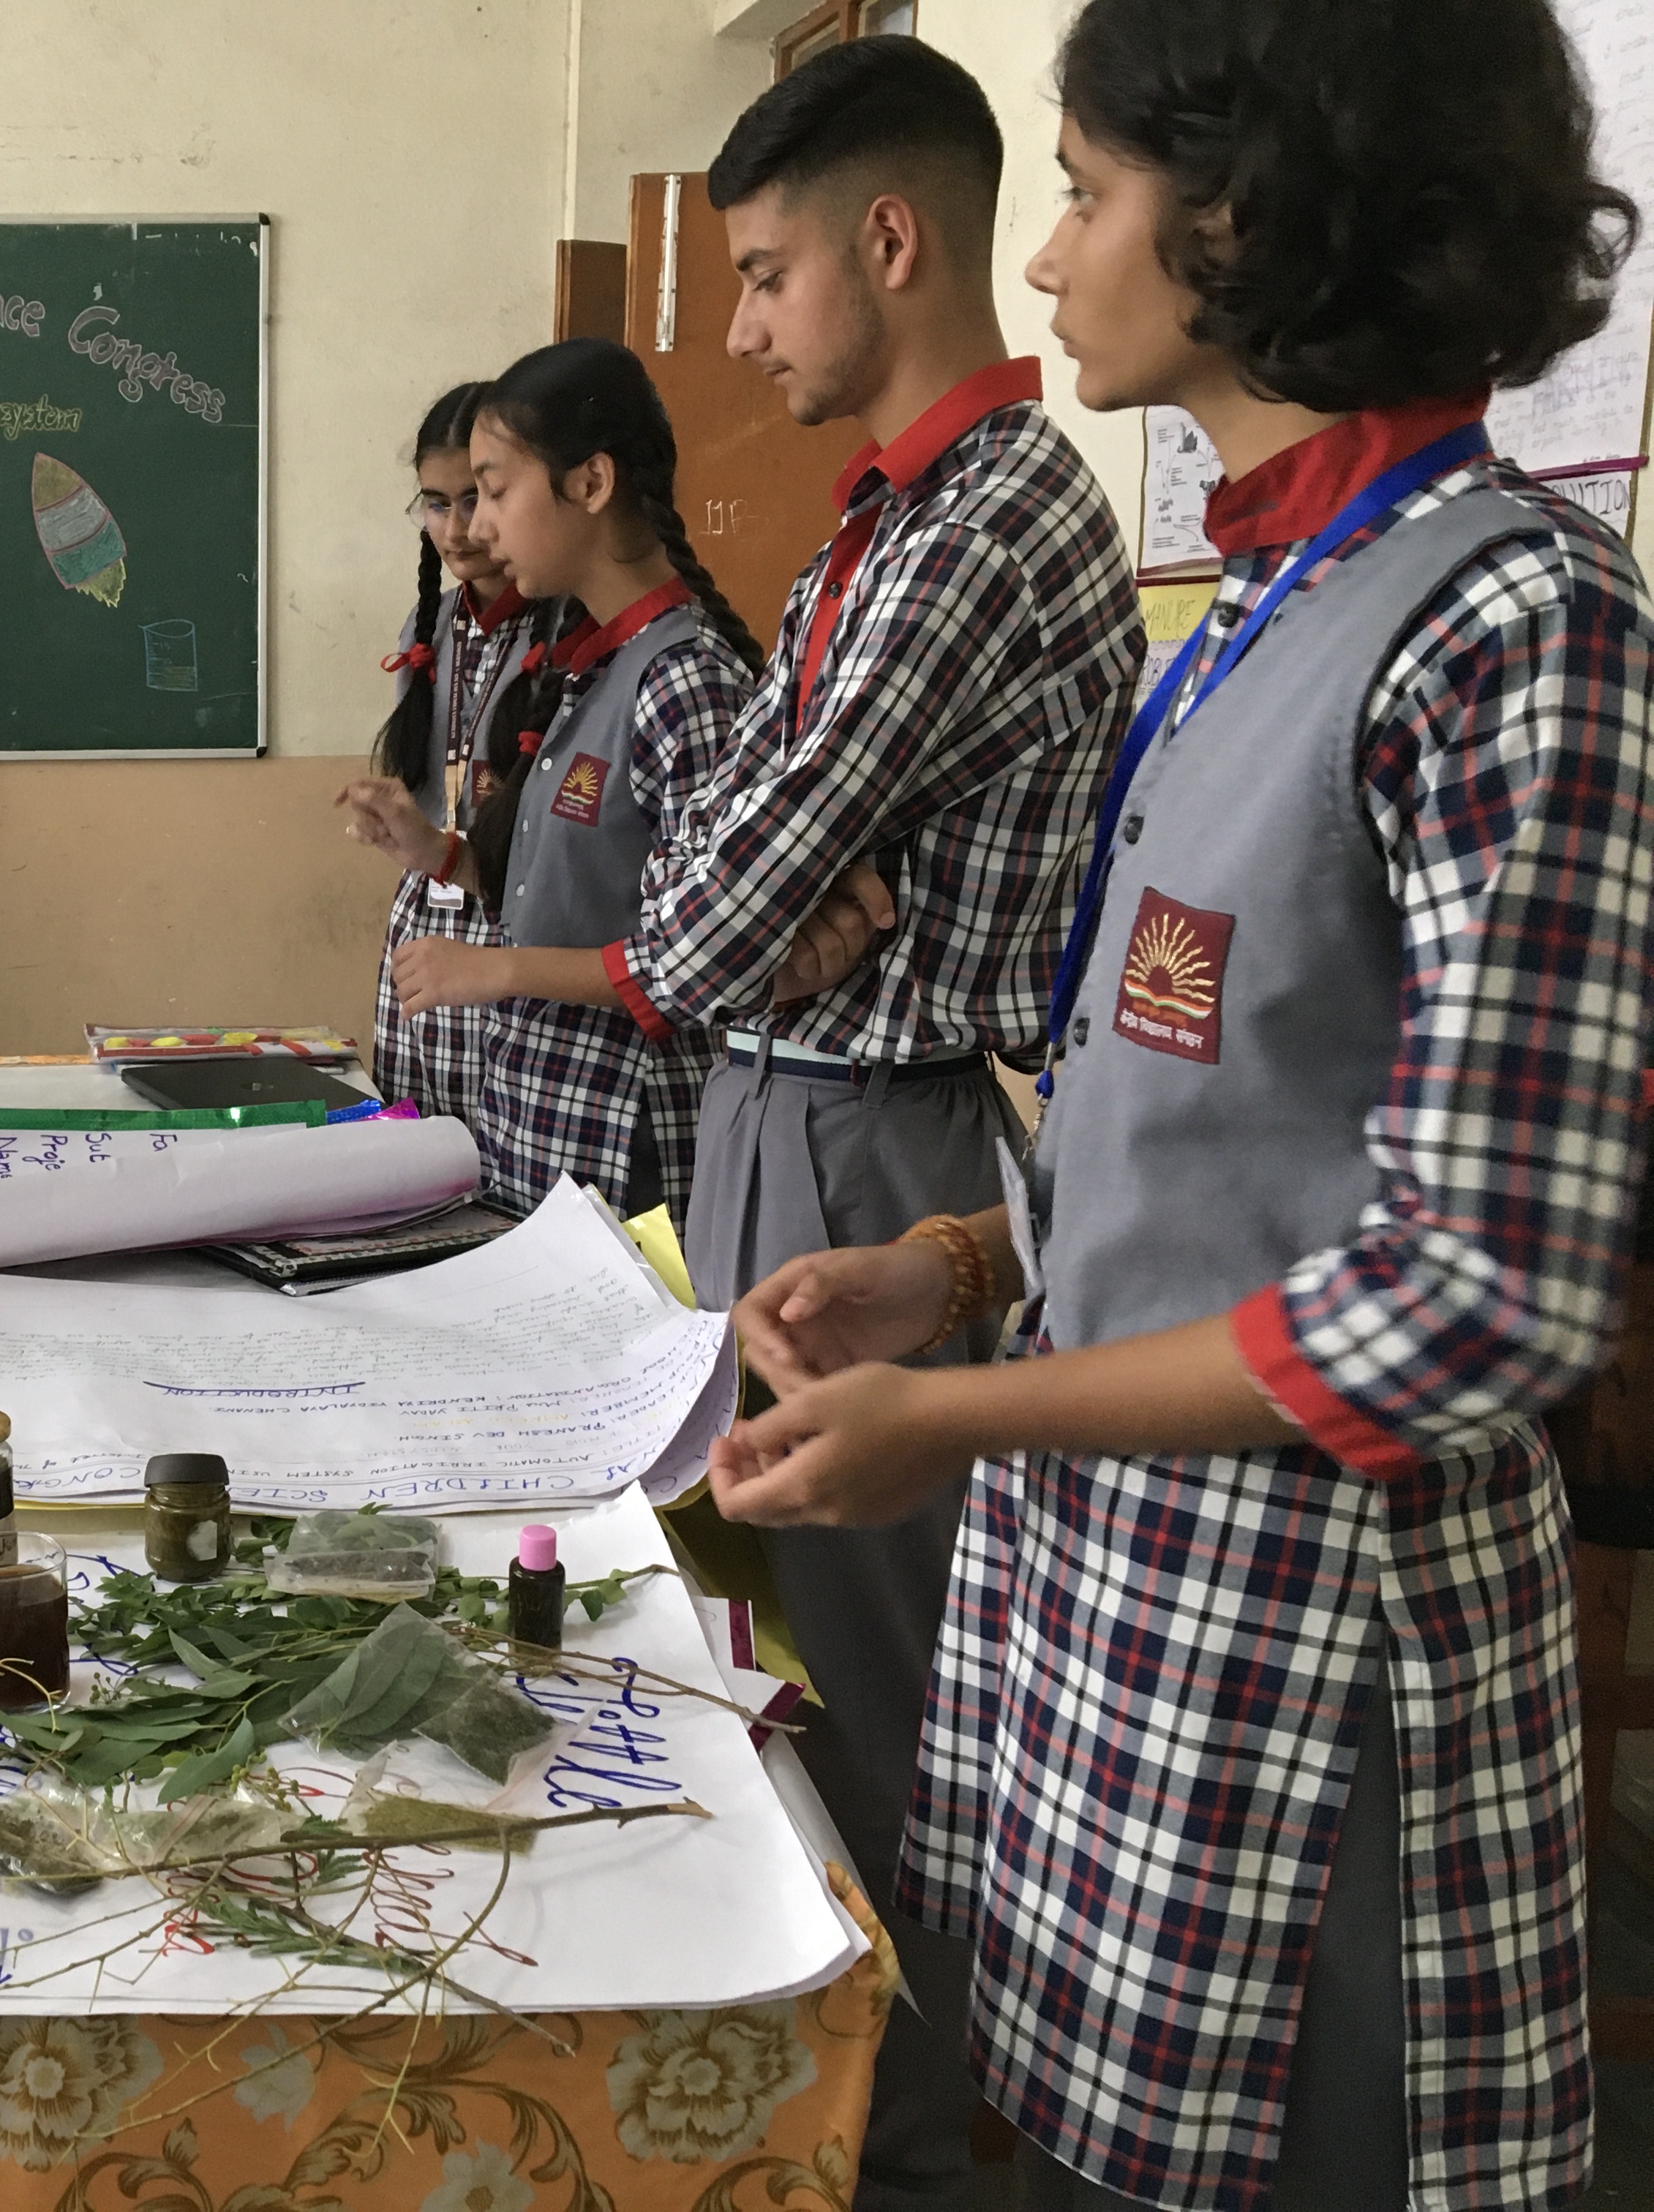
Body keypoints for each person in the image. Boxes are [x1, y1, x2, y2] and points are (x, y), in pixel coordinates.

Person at [711, 0, 1653, 2202]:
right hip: (1125, 1617)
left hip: (1319, 1670)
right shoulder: (1259, 604)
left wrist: (952, 1424)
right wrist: (948, 1271)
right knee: (1074, 2148)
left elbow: (1478, 1301)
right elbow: (1211, 1133)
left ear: (1248, 212)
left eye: (1085, 193)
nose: (1042, 261)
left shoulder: (1513, 618)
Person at [399, 42, 1140, 2205]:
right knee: (767, 1640)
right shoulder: (882, 523)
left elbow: (705, 913)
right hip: (785, 1114)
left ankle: (894, 2153)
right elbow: (737, 886)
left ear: (888, 243)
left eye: (764, 273)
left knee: (884, 1692)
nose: (734, 330)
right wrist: (782, 896)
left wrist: (780, 904)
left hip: (880, 1147)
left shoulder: (985, 520)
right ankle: (818, 2095)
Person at [344, 340, 761, 1217]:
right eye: (454, 501)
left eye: (493, 492)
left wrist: (492, 974)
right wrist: (442, 856)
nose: (477, 528)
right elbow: (566, 890)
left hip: (624, 1135)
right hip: (543, 1123)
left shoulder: (684, 680)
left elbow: (697, 963)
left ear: (591, 484)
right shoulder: (593, 670)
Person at [349, 381, 545, 1126]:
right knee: (422, 1157)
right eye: (435, 503)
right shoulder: (428, 628)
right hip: (424, 928)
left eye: (475, 498)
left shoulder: (561, 631)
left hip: (512, 936)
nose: (456, 527)